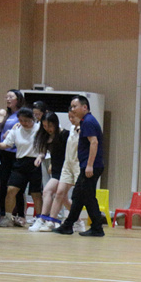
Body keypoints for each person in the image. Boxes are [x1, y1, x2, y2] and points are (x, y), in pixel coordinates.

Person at [51, 96, 106, 237]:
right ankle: (68, 225)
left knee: (87, 196)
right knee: (79, 196)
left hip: (91, 166)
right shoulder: (85, 121)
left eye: (75, 106)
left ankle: (96, 228)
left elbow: (94, 143)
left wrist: (89, 165)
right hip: (88, 165)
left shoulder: (88, 122)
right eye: (71, 106)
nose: (72, 109)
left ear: (84, 107)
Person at [0, 107, 42, 227]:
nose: (24, 123)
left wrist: (42, 156)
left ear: (32, 119)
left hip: (35, 163)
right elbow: (7, 144)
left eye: (26, 120)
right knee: (11, 190)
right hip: (20, 163)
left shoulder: (39, 129)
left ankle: (40, 218)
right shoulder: (16, 130)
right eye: (21, 120)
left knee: (35, 193)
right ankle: (8, 217)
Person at [29, 111, 69, 232]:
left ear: (56, 123)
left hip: (66, 170)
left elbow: (69, 154)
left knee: (48, 191)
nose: (48, 129)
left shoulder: (65, 134)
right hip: (56, 170)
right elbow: (44, 151)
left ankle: (43, 219)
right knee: (64, 198)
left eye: (50, 126)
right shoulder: (46, 136)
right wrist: (40, 157)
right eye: (45, 126)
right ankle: (77, 220)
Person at [0, 90, 26, 224]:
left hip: (16, 154)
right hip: (4, 153)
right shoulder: (7, 115)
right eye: (6, 97)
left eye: (11, 97)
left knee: (16, 186)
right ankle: (4, 214)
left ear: (18, 99)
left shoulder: (22, 114)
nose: (8, 99)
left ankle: (21, 215)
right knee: (3, 184)